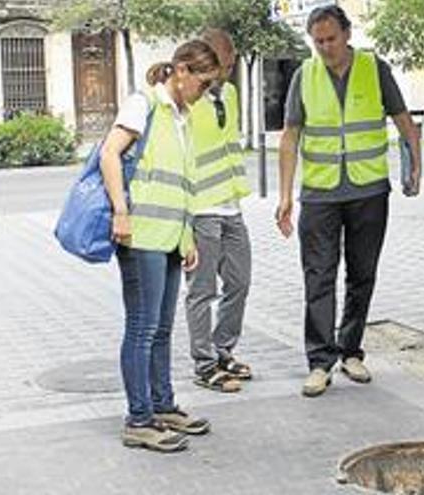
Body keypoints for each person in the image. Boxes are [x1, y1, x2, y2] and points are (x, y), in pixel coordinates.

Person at [275, 5, 422, 398]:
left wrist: (415, 166)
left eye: (330, 39)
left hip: (369, 190)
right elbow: (290, 136)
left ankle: (351, 350)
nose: (324, 47)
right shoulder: (304, 75)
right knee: (318, 277)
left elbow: (404, 120)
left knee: (362, 274)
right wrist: (285, 195)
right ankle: (319, 362)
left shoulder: (376, 68)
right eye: (317, 41)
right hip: (320, 195)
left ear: (347, 34)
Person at [100, 39, 221, 452]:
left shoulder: (182, 115)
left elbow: (181, 185)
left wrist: (187, 238)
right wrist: (120, 211)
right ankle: (139, 418)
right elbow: (109, 154)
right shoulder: (145, 103)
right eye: (203, 83)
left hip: (169, 238)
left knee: (163, 329)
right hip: (140, 236)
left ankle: (163, 405)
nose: (205, 92)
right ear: (181, 71)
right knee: (142, 328)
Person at [184, 28, 253, 394]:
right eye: (220, 64)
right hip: (200, 209)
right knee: (202, 290)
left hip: (231, 206)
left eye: (230, 64)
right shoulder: (188, 98)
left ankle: (223, 350)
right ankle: (204, 363)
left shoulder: (230, 92)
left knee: (239, 283)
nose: (226, 71)